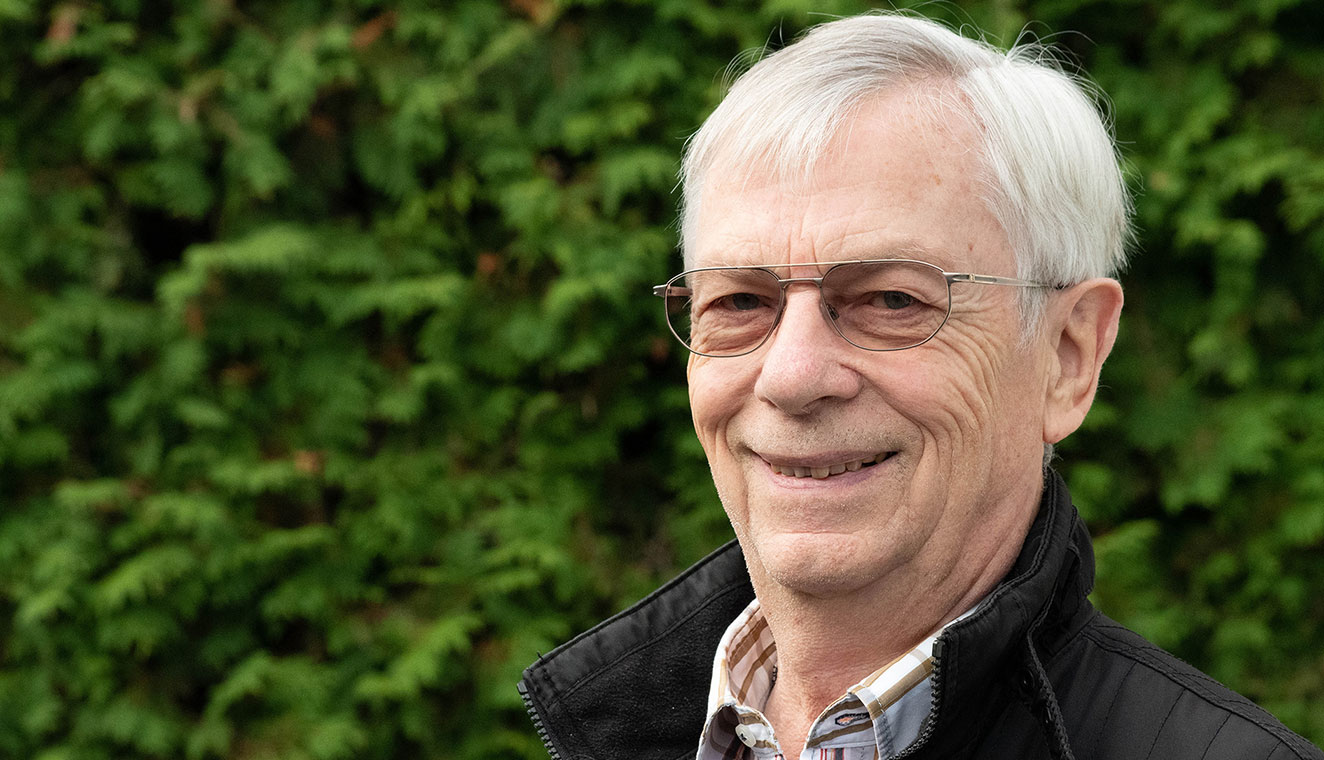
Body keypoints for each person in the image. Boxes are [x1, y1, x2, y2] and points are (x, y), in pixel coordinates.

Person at [518, 12, 1323, 760]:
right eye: (740, 302)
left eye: (891, 300)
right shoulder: (613, 731)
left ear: (1068, 355)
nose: (792, 376)